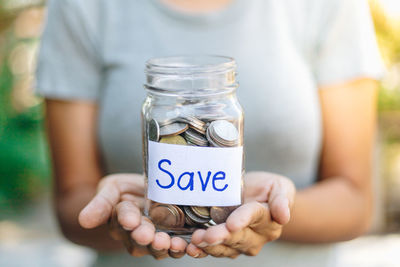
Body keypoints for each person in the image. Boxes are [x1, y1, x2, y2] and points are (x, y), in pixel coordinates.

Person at [36, 0, 384, 266]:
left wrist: (271, 214)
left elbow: (355, 201)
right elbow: (72, 203)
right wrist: (113, 218)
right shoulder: (81, 7)